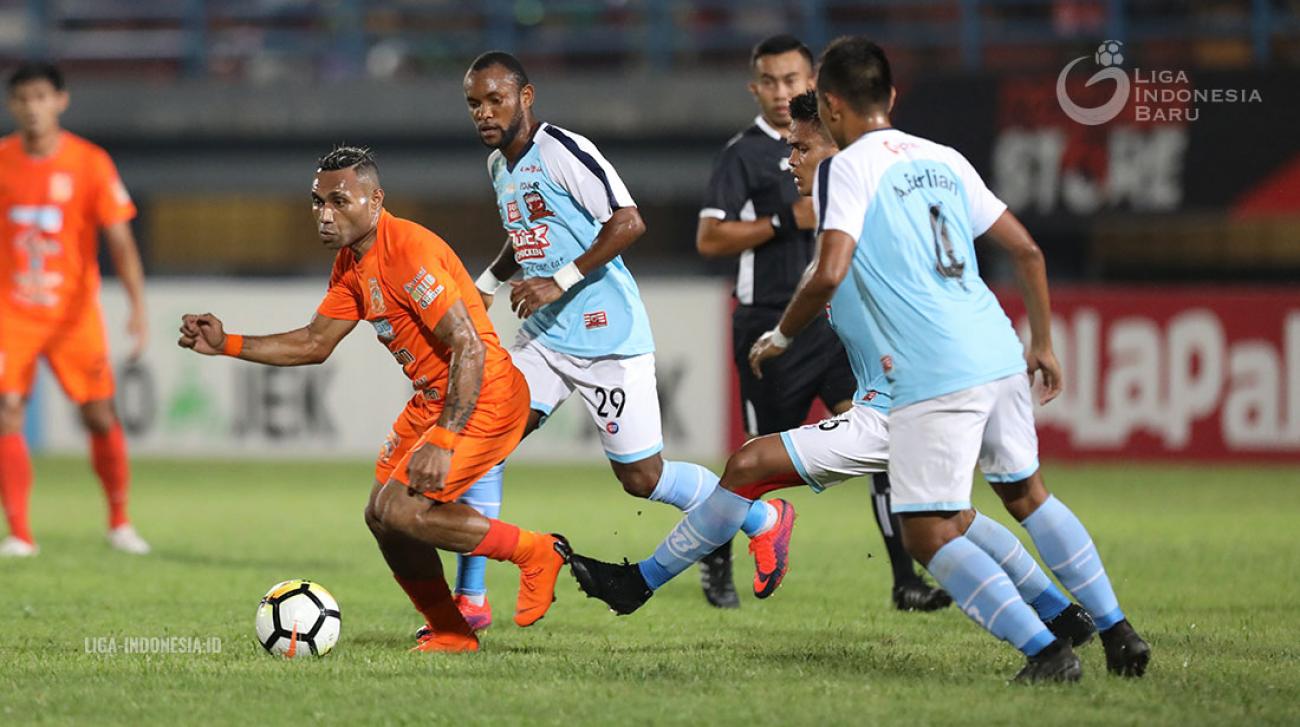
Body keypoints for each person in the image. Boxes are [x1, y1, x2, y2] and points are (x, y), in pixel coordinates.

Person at [565, 94, 1094, 654]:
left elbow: (850, 279)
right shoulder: (855, 214)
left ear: (839, 146)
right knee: (955, 517)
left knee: (752, 465)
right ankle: (1063, 615)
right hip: (911, 397)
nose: (789, 159)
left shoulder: (859, 219)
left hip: (905, 405)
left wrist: (781, 334)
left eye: (800, 147)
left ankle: (640, 582)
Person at [756, 37, 1148, 681]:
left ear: (828, 105)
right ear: (891, 96)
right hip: (997, 349)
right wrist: (1042, 342)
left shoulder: (845, 168)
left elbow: (828, 273)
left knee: (926, 532)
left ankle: (1047, 654)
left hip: (932, 368)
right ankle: (1118, 631)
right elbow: (1027, 252)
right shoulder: (944, 158)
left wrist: (781, 336)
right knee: (1028, 494)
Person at [177, 147, 570, 653]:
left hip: (485, 393)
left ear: (375, 199)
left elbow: (468, 345)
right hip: (435, 396)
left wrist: (445, 439)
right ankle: (452, 631)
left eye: (339, 201)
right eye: (318, 202)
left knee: (404, 511)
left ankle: (537, 551)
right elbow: (315, 343)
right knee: (382, 517)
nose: (325, 213)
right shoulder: (351, 261)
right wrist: (228, 343)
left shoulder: (407, 250)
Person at [458, 51, 740, 616]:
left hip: (607, 336)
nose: (485, 113)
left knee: (642, 478)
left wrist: (557, 282)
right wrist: (487, 282)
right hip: (545, 339)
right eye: (474, 104)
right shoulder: (498, 167)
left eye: (496, 99)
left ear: (526, 97)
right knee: (482, 442)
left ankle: (758, 516)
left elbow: (628, 221)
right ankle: (472, 599)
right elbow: (527, 233)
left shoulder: (563, 150)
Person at [695, 34, 944, 611]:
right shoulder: (742, 155)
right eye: (771, 81)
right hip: (768, 320)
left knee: (882, 441)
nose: (783, 93)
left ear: (815, 85)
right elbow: (709, 237)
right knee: (755, 460)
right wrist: (786, 219)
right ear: (755, 87)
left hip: (836, 327)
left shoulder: (845, 150)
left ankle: (905, 579)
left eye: (793, 81)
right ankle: (715, 559)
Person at [0, 62, 150, 557]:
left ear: (60, 101)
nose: (32, 107)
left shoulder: (89, 162)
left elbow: (120, 240)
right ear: (12, 105)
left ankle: (119, 521)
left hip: (73, 314)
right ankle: (20, 533)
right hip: (12, 311)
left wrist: (136, 305)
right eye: (23, 98)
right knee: (6, 410)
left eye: (41, 97)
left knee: (100, 416)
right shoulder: (2, 162)